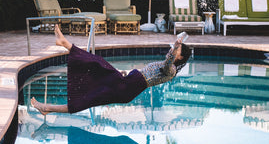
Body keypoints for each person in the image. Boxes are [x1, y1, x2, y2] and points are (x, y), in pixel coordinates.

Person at [31, 25, 191, 115]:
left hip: (126, 88)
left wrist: (177, 46)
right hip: (125, 83)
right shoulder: (168, 64)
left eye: (176, 51)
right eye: (174, 48)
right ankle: (66, 44)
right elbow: (145, 73)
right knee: (97, 65)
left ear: (181, 57)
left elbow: (166, 65)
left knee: (88, 97)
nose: (172, 51)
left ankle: (47, 108)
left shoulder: (171, 70)